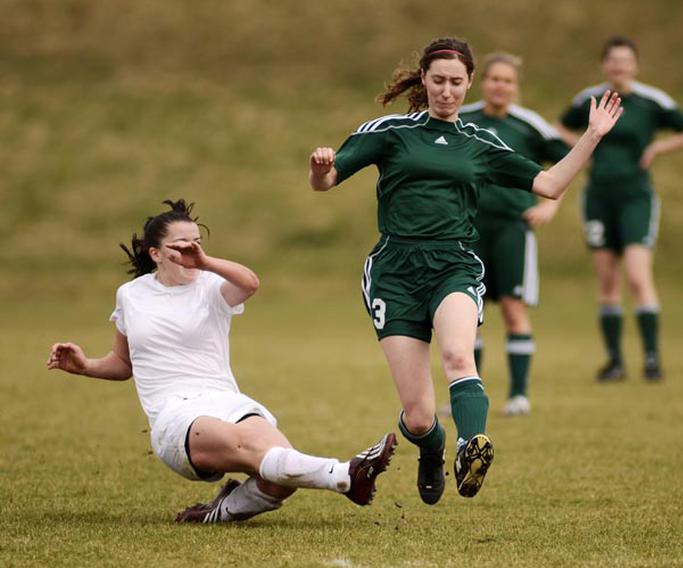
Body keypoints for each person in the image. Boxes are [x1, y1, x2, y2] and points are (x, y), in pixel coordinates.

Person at [308, 37, 623, 504]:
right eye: (439, 81)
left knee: (458, 356)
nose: (448, 91)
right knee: (417, 416)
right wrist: (320, 166)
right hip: (394, 271)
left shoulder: (480, 143)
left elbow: (551, 185)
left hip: (454, 263)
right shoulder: (390, 131)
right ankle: (433, 447)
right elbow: (327, 182)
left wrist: (592, 135)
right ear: (424, 79)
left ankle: (469, 445)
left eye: (457, 82)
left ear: (468, 82)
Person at [46, 199, 396, 523]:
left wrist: (206, 263)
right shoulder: (131, 295)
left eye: (196, 242)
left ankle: (219, 511)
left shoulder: (211, 285)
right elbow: (124, 363)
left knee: (279, 478)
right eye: (180, 244)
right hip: (175, 414)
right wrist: (85, 366)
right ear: (155, 253)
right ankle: (346, 474)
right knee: (258, 452)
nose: (191, 250)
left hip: (227, 400)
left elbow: (250, 283)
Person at [556, 36, 683, 382]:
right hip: (598, 196)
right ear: (604, 65)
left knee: (638, 277)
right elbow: (558, 127)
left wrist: (658, 148)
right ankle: (614, 362)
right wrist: (584, 145)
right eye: (613, 61)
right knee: (607, 279)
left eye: (625, 61)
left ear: (635, 65)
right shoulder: (589, 99)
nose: (619, 67)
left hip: (636, 197)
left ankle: (652, 359)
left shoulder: (651, 101)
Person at [458, 53, 570, 416]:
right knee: (465, 312)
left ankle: (519, 396)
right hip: (466, 229)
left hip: (512, 228)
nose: (500, 86)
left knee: (512, 308)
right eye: (494, 79)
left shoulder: (528, 126)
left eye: (507, 81)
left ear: (516, 87)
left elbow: (566, 163)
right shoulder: (463, 119)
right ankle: (469, 395)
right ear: (482, 82)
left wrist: (550, 206)